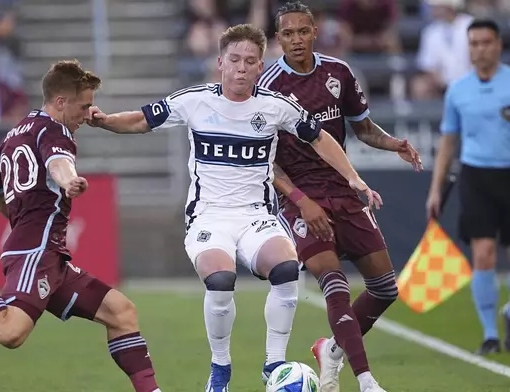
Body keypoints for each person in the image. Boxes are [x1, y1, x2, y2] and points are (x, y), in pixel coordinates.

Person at [85, 23, 382, 392]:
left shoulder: (276, 106)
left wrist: (353, 177)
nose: (242, 68)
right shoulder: (194, 100)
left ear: (261, 67)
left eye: (251, 61)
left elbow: (320, 138)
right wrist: (105, 122)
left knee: (288, 269)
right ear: (221, 62)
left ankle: (273, 363)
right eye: (235, 60)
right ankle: (220, 368)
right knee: (221, 281)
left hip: (257, 215)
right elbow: (143, 119)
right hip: (208, 216)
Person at [0, 60, 163, 392]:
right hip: (35, 253)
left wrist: (26, 218)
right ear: (60, 102)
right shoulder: (56, 131)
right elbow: (58, 162)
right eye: (83, 106)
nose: (87, 114)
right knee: (10, 332)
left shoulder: (12, 135)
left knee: (121, 313)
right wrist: (69, 182)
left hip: (46, 253)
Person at [257, 2, 423, 392]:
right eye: (287, 33)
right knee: (335, 284)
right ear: (277, 38)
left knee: (385, 288)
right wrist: (300, 199)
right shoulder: (266, 87)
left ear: (315, 31)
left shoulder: (339, 72)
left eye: (302, 31)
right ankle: (366, 381)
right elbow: (266, 162)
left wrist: (394, 143)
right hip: (300, 197)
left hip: (344, 189)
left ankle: (331, 349)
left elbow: (362, 128)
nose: (296, 39)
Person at [427, 19, 510, 355]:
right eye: (473, 43)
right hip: (476, 175)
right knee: (484, 254)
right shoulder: (458, 90)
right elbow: (448, 142)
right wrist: (435, 189)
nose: (479, 49)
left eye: (485, 42)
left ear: (498, 45)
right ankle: (490, 334)